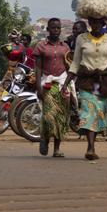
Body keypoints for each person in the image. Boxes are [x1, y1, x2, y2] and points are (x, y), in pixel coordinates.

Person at [62, 17, 107, 160]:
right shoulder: (81, 39)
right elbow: (75, 63)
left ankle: (92, 143)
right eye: (92, 23)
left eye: (98, 23)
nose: (95, 26)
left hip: (103, 81)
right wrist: (66, 83)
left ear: (103, 24)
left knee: (99, 112)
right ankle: (90, 148)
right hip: (86, 80)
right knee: (88, 111)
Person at [35, 18, 72, 157]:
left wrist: (69, 84)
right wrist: (39, 86)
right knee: (49, 116)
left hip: (62, 84)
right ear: (48, 29)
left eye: (58, 28)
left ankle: (57, 149)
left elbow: (69, 67)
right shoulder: (41, 46)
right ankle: (44, 138)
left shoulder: (65, 47)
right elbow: (38, 67)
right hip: (48, 85)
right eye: (53, 28)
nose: (56, 30)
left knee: (61, 116)